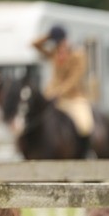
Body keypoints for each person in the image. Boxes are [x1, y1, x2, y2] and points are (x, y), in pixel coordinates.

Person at [32, 25, 94, 153]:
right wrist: (49, 35)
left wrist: (59, 91)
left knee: (85, 125)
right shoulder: (54, 53)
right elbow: (35, 45)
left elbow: (74, 79)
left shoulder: (78, 55)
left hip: (73, 98)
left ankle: (86, 153)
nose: (57, 46)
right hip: (52, 96)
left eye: (59, 42)